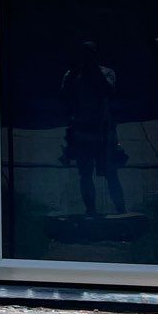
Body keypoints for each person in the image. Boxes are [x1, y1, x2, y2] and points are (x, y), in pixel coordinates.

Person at [58, 42, 126, 218]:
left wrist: (92, 70)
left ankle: (121, 211)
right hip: (81, 130)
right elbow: (64, 96)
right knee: (85, 173)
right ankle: (90, 210)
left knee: (111, 173)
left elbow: (108, 90)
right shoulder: (73, 74)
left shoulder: (106, 72)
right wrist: (74, 72)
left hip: (103, 130)